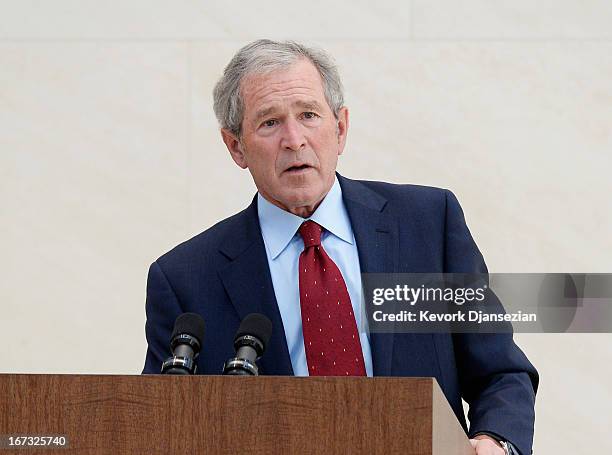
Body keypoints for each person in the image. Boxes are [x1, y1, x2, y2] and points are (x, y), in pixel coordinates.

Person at [143, 39, 538, 455]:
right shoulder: (185, 278)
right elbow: (164, 421)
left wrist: (494, 441)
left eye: (309, 115)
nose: (294, 140)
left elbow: (501, 371)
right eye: (270, 123)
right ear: (236, 146)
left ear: (341, 127)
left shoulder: (426, 225)